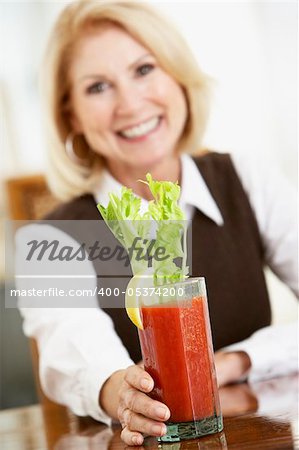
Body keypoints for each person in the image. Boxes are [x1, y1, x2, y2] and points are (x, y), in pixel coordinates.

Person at [16, 0, 297, 447]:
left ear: (178, 77)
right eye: (98, 87)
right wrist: (120, 393)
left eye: (144, 69)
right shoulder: (48, 239)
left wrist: (240, 360)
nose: (130, 104)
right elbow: (75, 352)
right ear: (72, 115)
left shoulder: (247, 179)